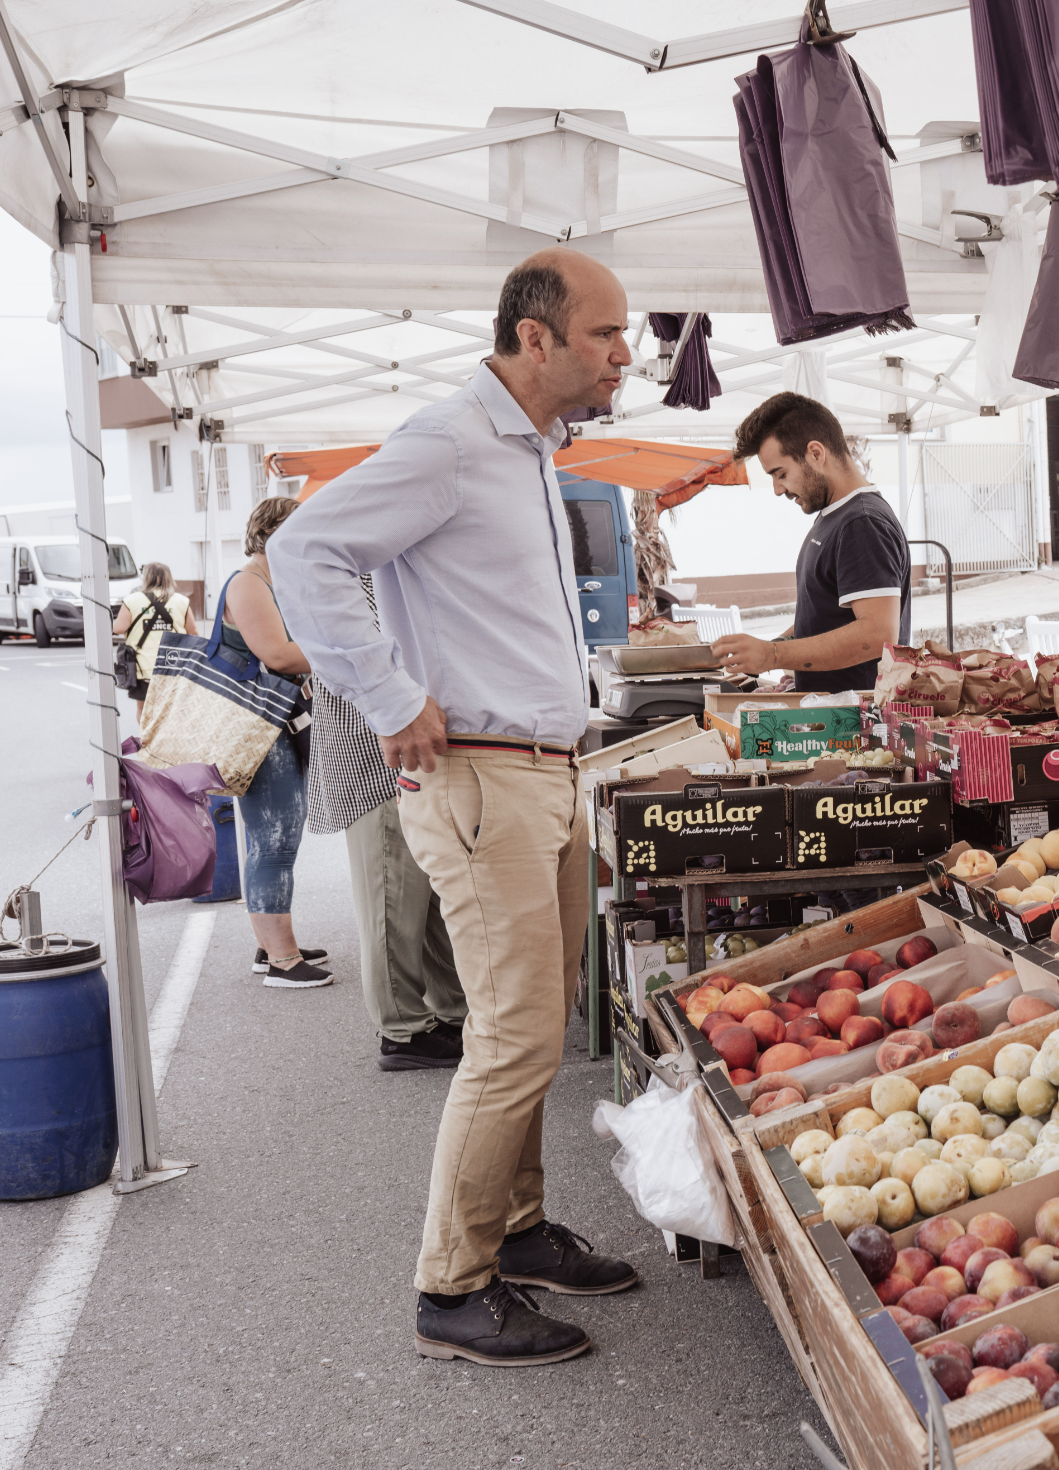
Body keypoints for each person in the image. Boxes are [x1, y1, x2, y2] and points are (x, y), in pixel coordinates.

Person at [269, 247, 639, 1370]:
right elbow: (303, 550)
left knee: (538, 1023)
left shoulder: (526, 448)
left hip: (540, 768)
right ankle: (450, 1288)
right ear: (536, 337)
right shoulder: (447, 441)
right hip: (481, 775)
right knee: (516, 1034)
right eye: (605, 335)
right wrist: (387, 694)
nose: (625, 355)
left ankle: (517, 1230)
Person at [304, 579, 467, 1073]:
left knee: (427, 899)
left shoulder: (375, 575)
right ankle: (403, 1031)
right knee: (391, 901)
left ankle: (453, 1012)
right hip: (376, 764)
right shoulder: (348, 583)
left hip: (402, 760)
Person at [709, 391, 909, 692]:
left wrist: (772, 655)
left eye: (781, 474)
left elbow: (878, 634)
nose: (778, 489)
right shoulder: (835, 517)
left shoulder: (862, 523)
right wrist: (767, 648)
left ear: (816, 453)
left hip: (857, 726)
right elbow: (822, 622)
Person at [225, 498, 331, 988]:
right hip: (258, 728)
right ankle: (282, 962)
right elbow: (278, 655)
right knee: (275, 838)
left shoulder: (269, 581)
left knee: (273, 838)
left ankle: (271, 944)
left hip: (272, 723)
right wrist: (345, 651)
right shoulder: (249, 583)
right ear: (275, 535)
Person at [112, 560, 196, 718]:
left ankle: (147, 740)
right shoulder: (181, 601)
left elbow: (118, 628)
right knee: (171, 711)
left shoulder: (132, 600)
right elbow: (193, 633)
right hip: (174, 665)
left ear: (146, 578)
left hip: (142, 667)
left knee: (144, 710)